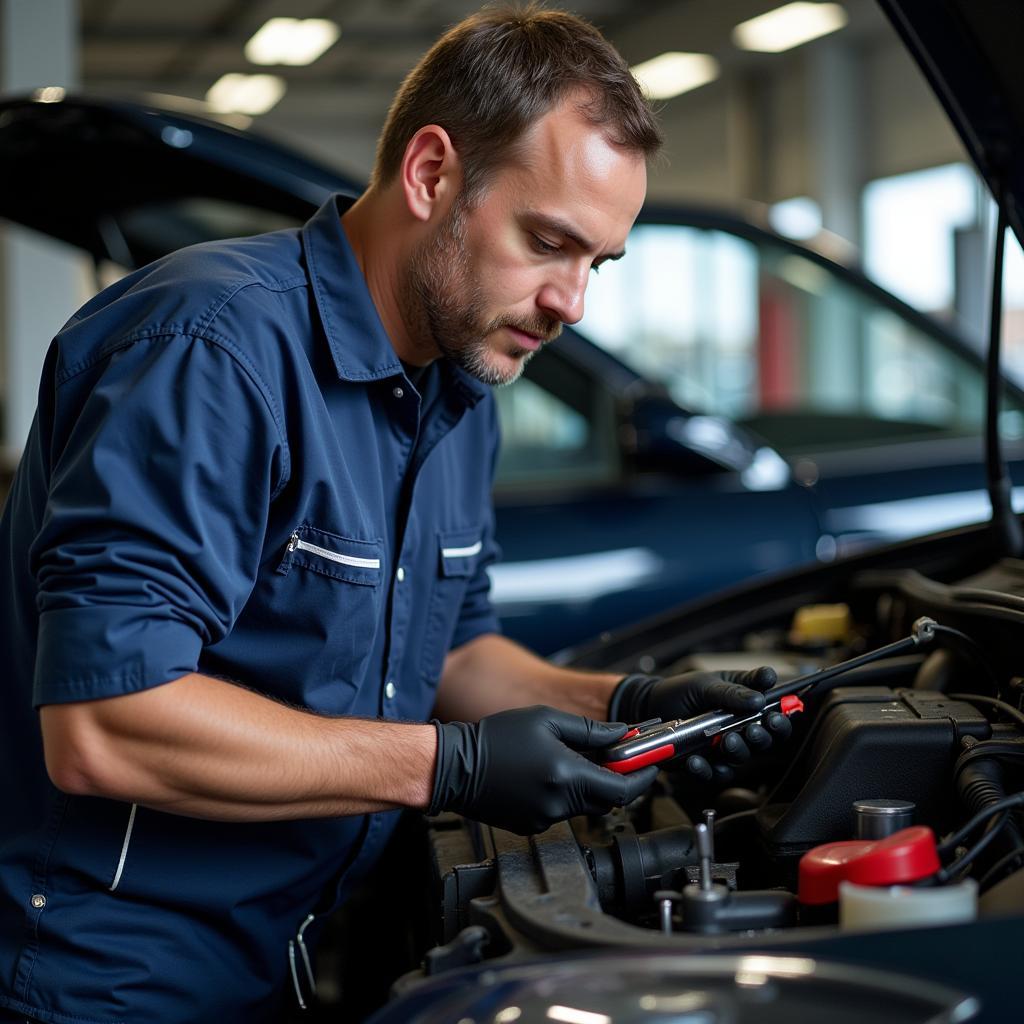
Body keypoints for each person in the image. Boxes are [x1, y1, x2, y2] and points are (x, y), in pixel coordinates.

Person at [0, 5, 789, 1022]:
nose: (572, 303)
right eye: (548, 242)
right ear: (430, 174)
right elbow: (106, 723)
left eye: (597, 262)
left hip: (293, 944)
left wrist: (629, 706)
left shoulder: (457, 391)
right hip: (112, 973)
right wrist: (448, 765)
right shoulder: (211, 351)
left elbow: (455, 653)